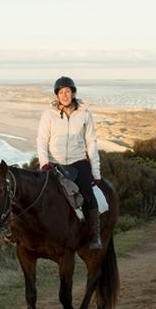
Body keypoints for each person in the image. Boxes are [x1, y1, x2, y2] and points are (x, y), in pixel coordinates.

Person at [36, 76, 103, 249]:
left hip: (77, 162)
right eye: (61, 92)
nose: (64, 95)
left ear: (73, 93)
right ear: (57, 95)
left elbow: (91, 143)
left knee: (88, 194)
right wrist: (44, 163)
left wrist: (96, 172)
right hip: (53, 163)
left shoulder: (84, 115)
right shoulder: (48, 115)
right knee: (31, 192)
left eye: (67, 91)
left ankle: (95, 236)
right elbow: (41, 140)